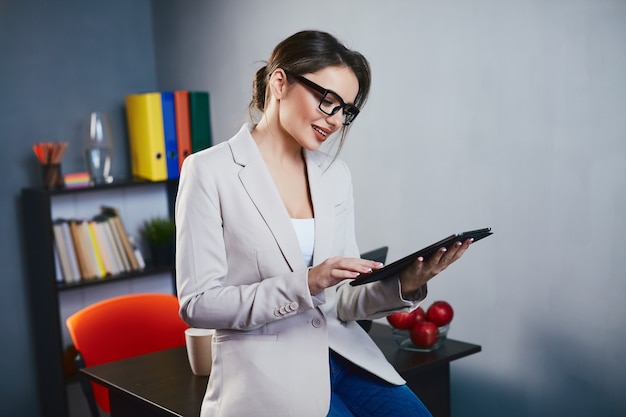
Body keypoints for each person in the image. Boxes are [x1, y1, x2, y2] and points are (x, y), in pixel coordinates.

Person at [175, 30, 472, 417]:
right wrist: (307, 282)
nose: (334, 121)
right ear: (279, 82)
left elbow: (342, 300)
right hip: (267, 373)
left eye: (345, 110)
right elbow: (198, 303)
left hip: (344, 355)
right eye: (327, 101)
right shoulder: (209, 171)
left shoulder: (335, 175)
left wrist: (405, 285)